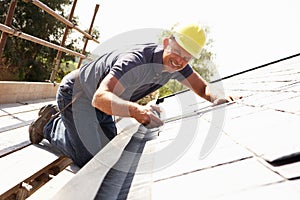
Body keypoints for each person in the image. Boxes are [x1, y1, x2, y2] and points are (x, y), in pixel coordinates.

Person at [29, 24, 239, 167]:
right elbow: (100, 97)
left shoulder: (177, 66)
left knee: (110, 152)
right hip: (78, 95)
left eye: (187, 57)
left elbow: (202, 89)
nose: (180, 60)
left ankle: (65, 124)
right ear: (167, 43)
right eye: (177, 51)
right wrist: (136, 110)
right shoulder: (135, 61)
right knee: (90, 158)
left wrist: (218, 98)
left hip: (104, 102)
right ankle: (50, 124)